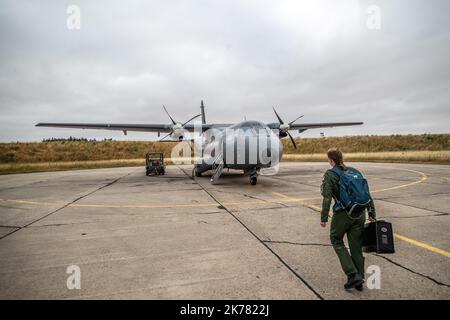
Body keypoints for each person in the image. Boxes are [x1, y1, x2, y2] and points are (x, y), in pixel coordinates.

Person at [320, 148, 376, 291]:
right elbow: (366, 192)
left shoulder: (330, 174)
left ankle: (352, 274)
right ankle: (360, 280)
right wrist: (371, 212)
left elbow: (327, 197)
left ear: (331, 160)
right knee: (356, 245)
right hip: (360, 213)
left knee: (336, 239)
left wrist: (324, 218)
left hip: (344, 214)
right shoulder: (354, 171)